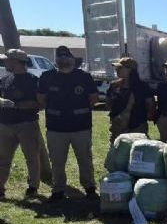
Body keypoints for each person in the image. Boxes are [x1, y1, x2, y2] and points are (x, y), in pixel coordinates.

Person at [37, 45, 98, 201]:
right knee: (57, 161)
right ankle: (58, 189)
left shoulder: (84, 77)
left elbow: (93, 98)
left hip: (81, 126)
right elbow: (41, 99)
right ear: (56, 60)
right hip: (56, 127)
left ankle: (89, 187)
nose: (63, 59)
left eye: (66, 56)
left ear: (72, 59)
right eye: (60, 56)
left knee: (85, 159)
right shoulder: (47, 76)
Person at [0, 49, 42, 199]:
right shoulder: (4, 79)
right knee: (3, 158)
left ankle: (33, 187)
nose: (4, 62)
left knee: (32, 157)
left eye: (7, 60)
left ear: (16, 61)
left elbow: (38, 103)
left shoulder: (33, 80)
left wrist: (14, 105)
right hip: (5, 125)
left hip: (27, 124)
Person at [107, 57, 154, 142]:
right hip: (117, 128)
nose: (117, 70)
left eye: (120, 68)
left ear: (130, 70)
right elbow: (109, 103)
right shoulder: (114, 85)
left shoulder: (143, 87)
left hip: (137, 128)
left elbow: (150, 106)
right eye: (116, 68)